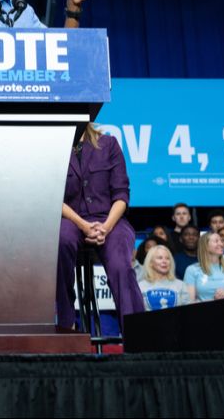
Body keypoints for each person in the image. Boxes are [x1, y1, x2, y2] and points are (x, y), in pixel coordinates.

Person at [56, 123, 144, 330]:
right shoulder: (52, 150)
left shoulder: (109, 144)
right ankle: (66, 323)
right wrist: (83, 225)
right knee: (61, 239)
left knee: (120, 264)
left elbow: (122, 194)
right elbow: (51, 196)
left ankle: (136, 331)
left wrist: (106, 226)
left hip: (110, 219)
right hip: (72, 219)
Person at [184, 232, 224, 302]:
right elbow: (189, 302)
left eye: (221, 241)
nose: (221, 244)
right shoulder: (191, 270)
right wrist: (214, 302)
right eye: (216, 241)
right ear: (205, 246)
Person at [137, 245, 191, 311]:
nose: (164, 261)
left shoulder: (181, 285)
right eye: (160, 258)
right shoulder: (140, 286)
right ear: (151, 263)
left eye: (167, 258)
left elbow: (188, 312)